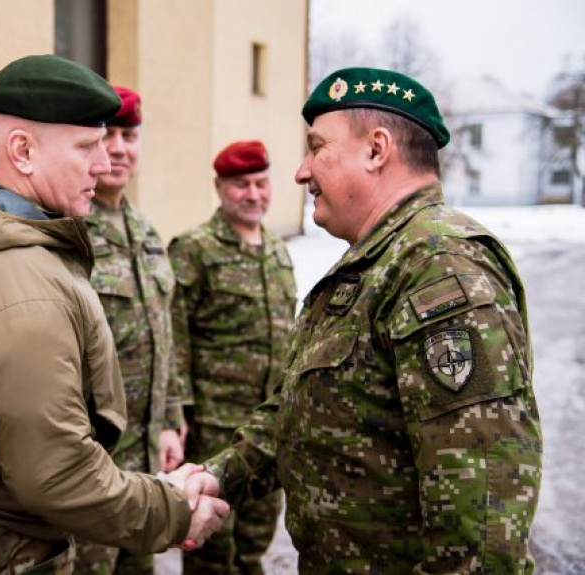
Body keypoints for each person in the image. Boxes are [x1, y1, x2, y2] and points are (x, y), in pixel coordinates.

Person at [183, 67, 543, 574]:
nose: (301, 172)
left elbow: (480, 530)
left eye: (317, 147)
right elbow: (303, 411)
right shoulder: (376, 262)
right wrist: (222, 475)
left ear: (376, 150)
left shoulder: (438, 266)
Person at [0, 54, 229, 575]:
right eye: (87, 146)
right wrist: (173, 510)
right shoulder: (18, 283)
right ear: (22, 151)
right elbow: (55, 473)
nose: (104, 163)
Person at [168, 140, 297, 574]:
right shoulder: (195, 249)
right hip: (214, 427)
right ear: (220, 187)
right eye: (241, 184)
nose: (253, 194)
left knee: (255, 541)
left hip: (266, 429)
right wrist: (178, 414)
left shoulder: (277, 250)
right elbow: (174, 336)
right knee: (209, 545)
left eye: (261, 183)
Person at [72, 86, 186, 575]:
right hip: (92, 455)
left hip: (142, 454)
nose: (119, 148)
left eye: (130, 136)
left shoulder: (145, 229)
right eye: (108, 135)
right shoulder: (68, 227)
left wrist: (170, 419)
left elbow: (164, 330)